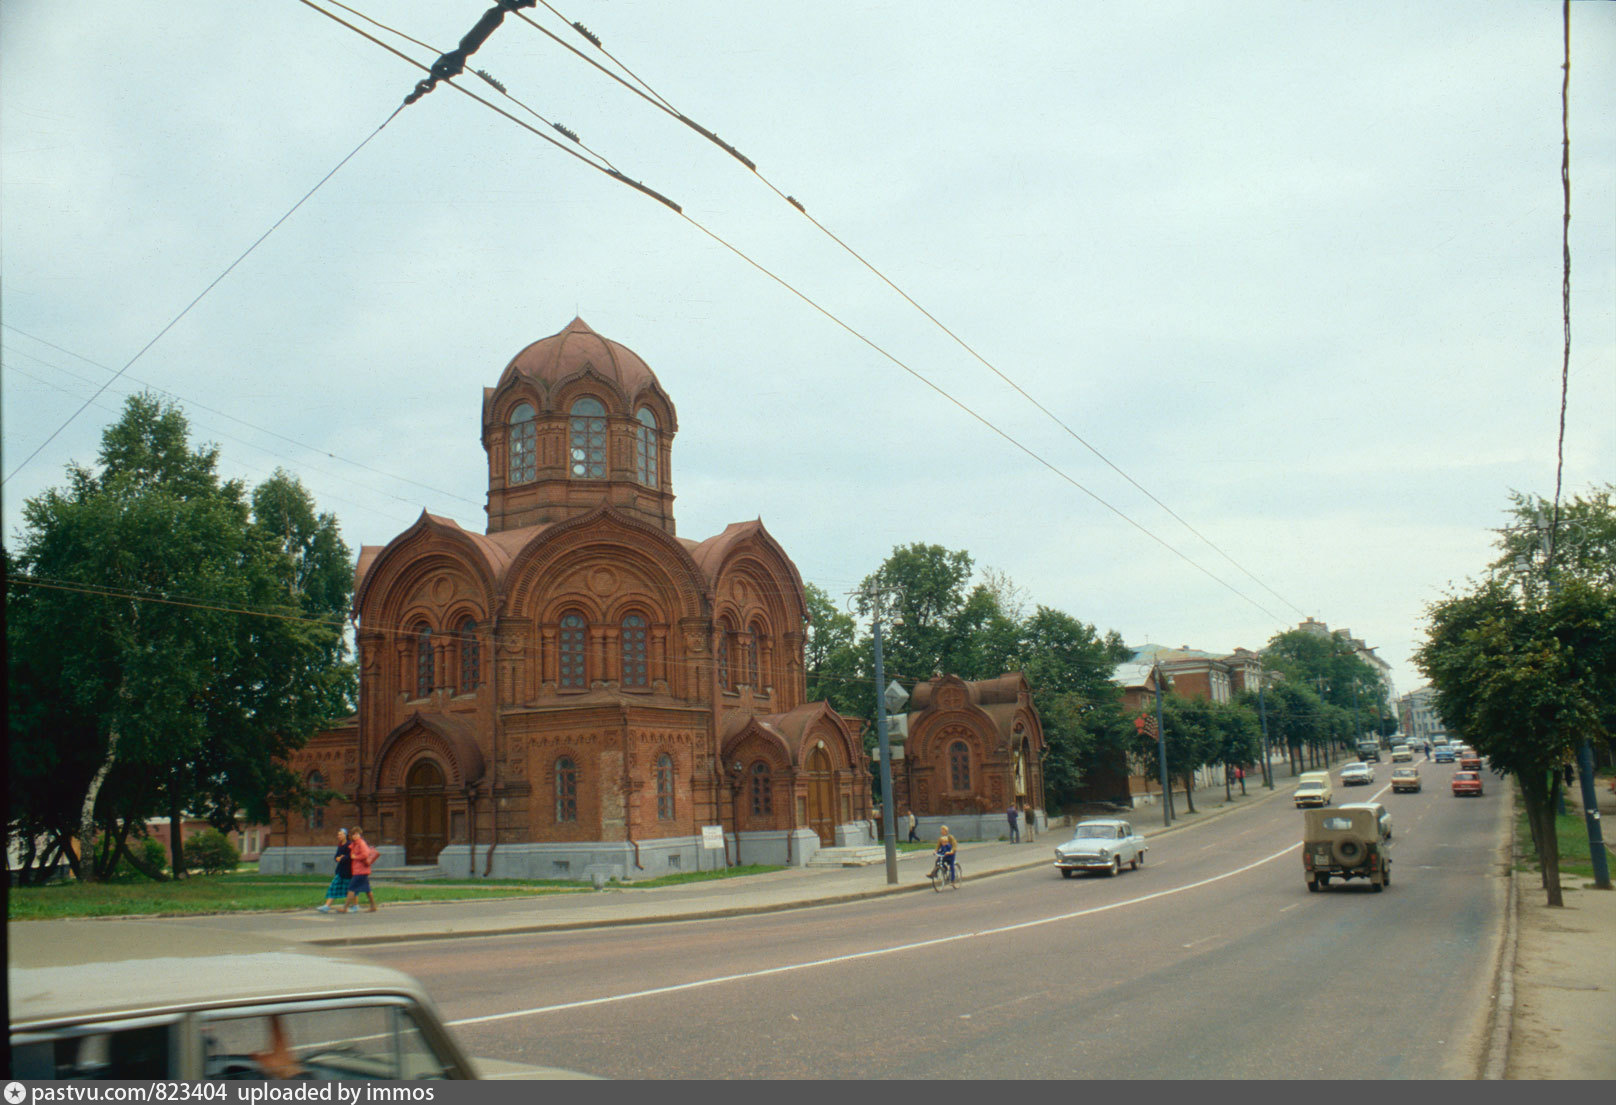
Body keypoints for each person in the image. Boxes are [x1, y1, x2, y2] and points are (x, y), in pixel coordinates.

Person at [343, 827, 379, 913]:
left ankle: (345, 908)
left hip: (360, 870)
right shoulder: (355, 844)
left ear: (360, 834)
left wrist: (356, 857)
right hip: (360, 870)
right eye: (353, 834)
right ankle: (373, 906)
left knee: (351, 888)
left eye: (356, 834)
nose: (355, 836)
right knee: (367, 889)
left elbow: (365, 854)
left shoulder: (361, 843)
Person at [316, 828, 350, 913]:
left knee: (350, 890)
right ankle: (327, 906)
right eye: (338, 834)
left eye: (340, 834)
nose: (338, 836)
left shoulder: (349, 845)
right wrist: (337, 858)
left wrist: (343, 858)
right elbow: (336, 856)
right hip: (340, 871)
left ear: (345, 835)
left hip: (348, 871)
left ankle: (352, 906)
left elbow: (350, 856)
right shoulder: (340, 845)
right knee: (333, 887)